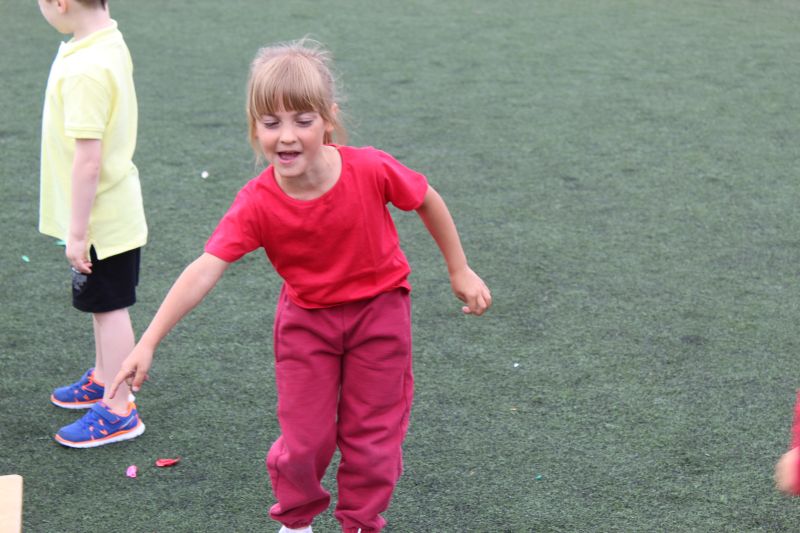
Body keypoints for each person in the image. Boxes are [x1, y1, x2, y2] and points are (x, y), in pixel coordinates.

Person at [110, 38, 491, 533]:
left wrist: (459, 269)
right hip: (307, 326)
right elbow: (206, 267)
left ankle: (360, 522)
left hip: (381, 317)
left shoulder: (370, 167)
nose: (286, 137)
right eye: (271, 123)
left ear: (328, 119)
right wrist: (148, 340)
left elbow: (425, 198)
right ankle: (295, 523)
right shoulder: (257, 202)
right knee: (305, 439)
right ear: (254, 127)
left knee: (374, 438)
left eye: (303, 121)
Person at [37, 0, 146, 448]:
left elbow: (88, 160)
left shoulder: (86, 68)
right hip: (107, 210)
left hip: (101, 218)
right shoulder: (104, 41)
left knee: (110, 307)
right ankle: (104, 378)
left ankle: (119, 407)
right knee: (102, 304)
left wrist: (78, 232)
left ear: (61, 3)